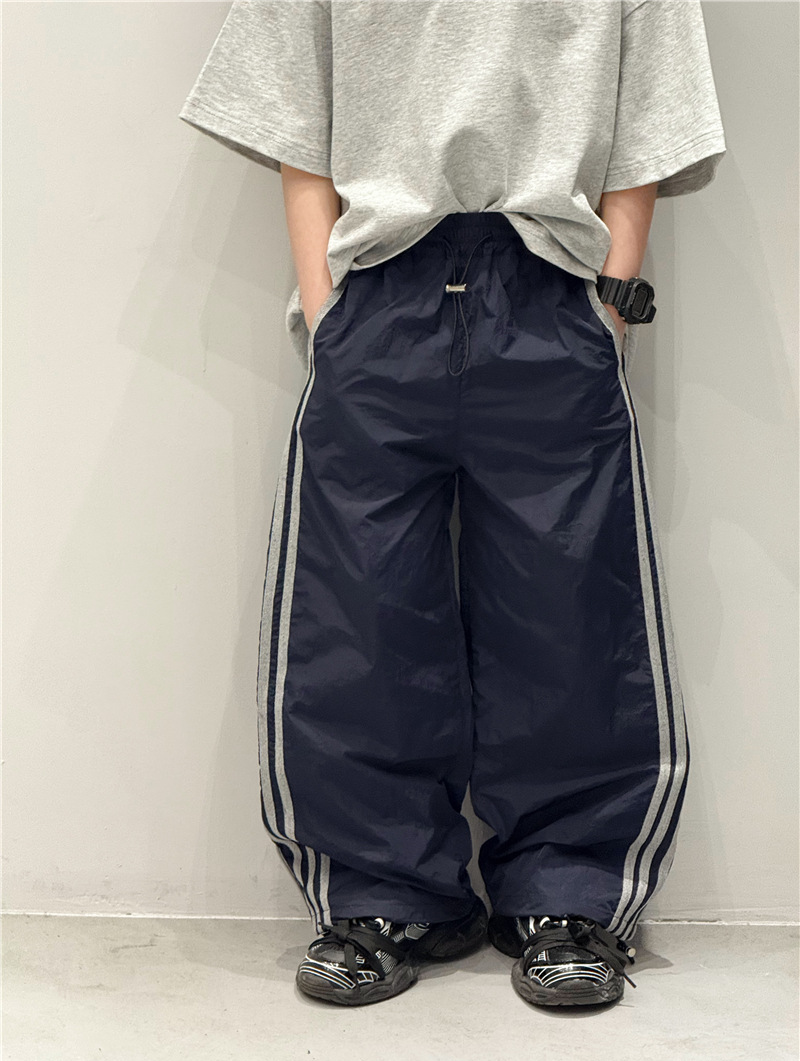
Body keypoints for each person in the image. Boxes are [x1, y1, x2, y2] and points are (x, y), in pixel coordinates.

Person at [179, 0, 727, 1009]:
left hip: (552, 287)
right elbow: (296, 115)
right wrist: (328, 309)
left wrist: (608, 303)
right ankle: (379, 893)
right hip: (377, 288)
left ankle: (569, 894)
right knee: (360, 605)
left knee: (571, 603)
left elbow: (651, 117)